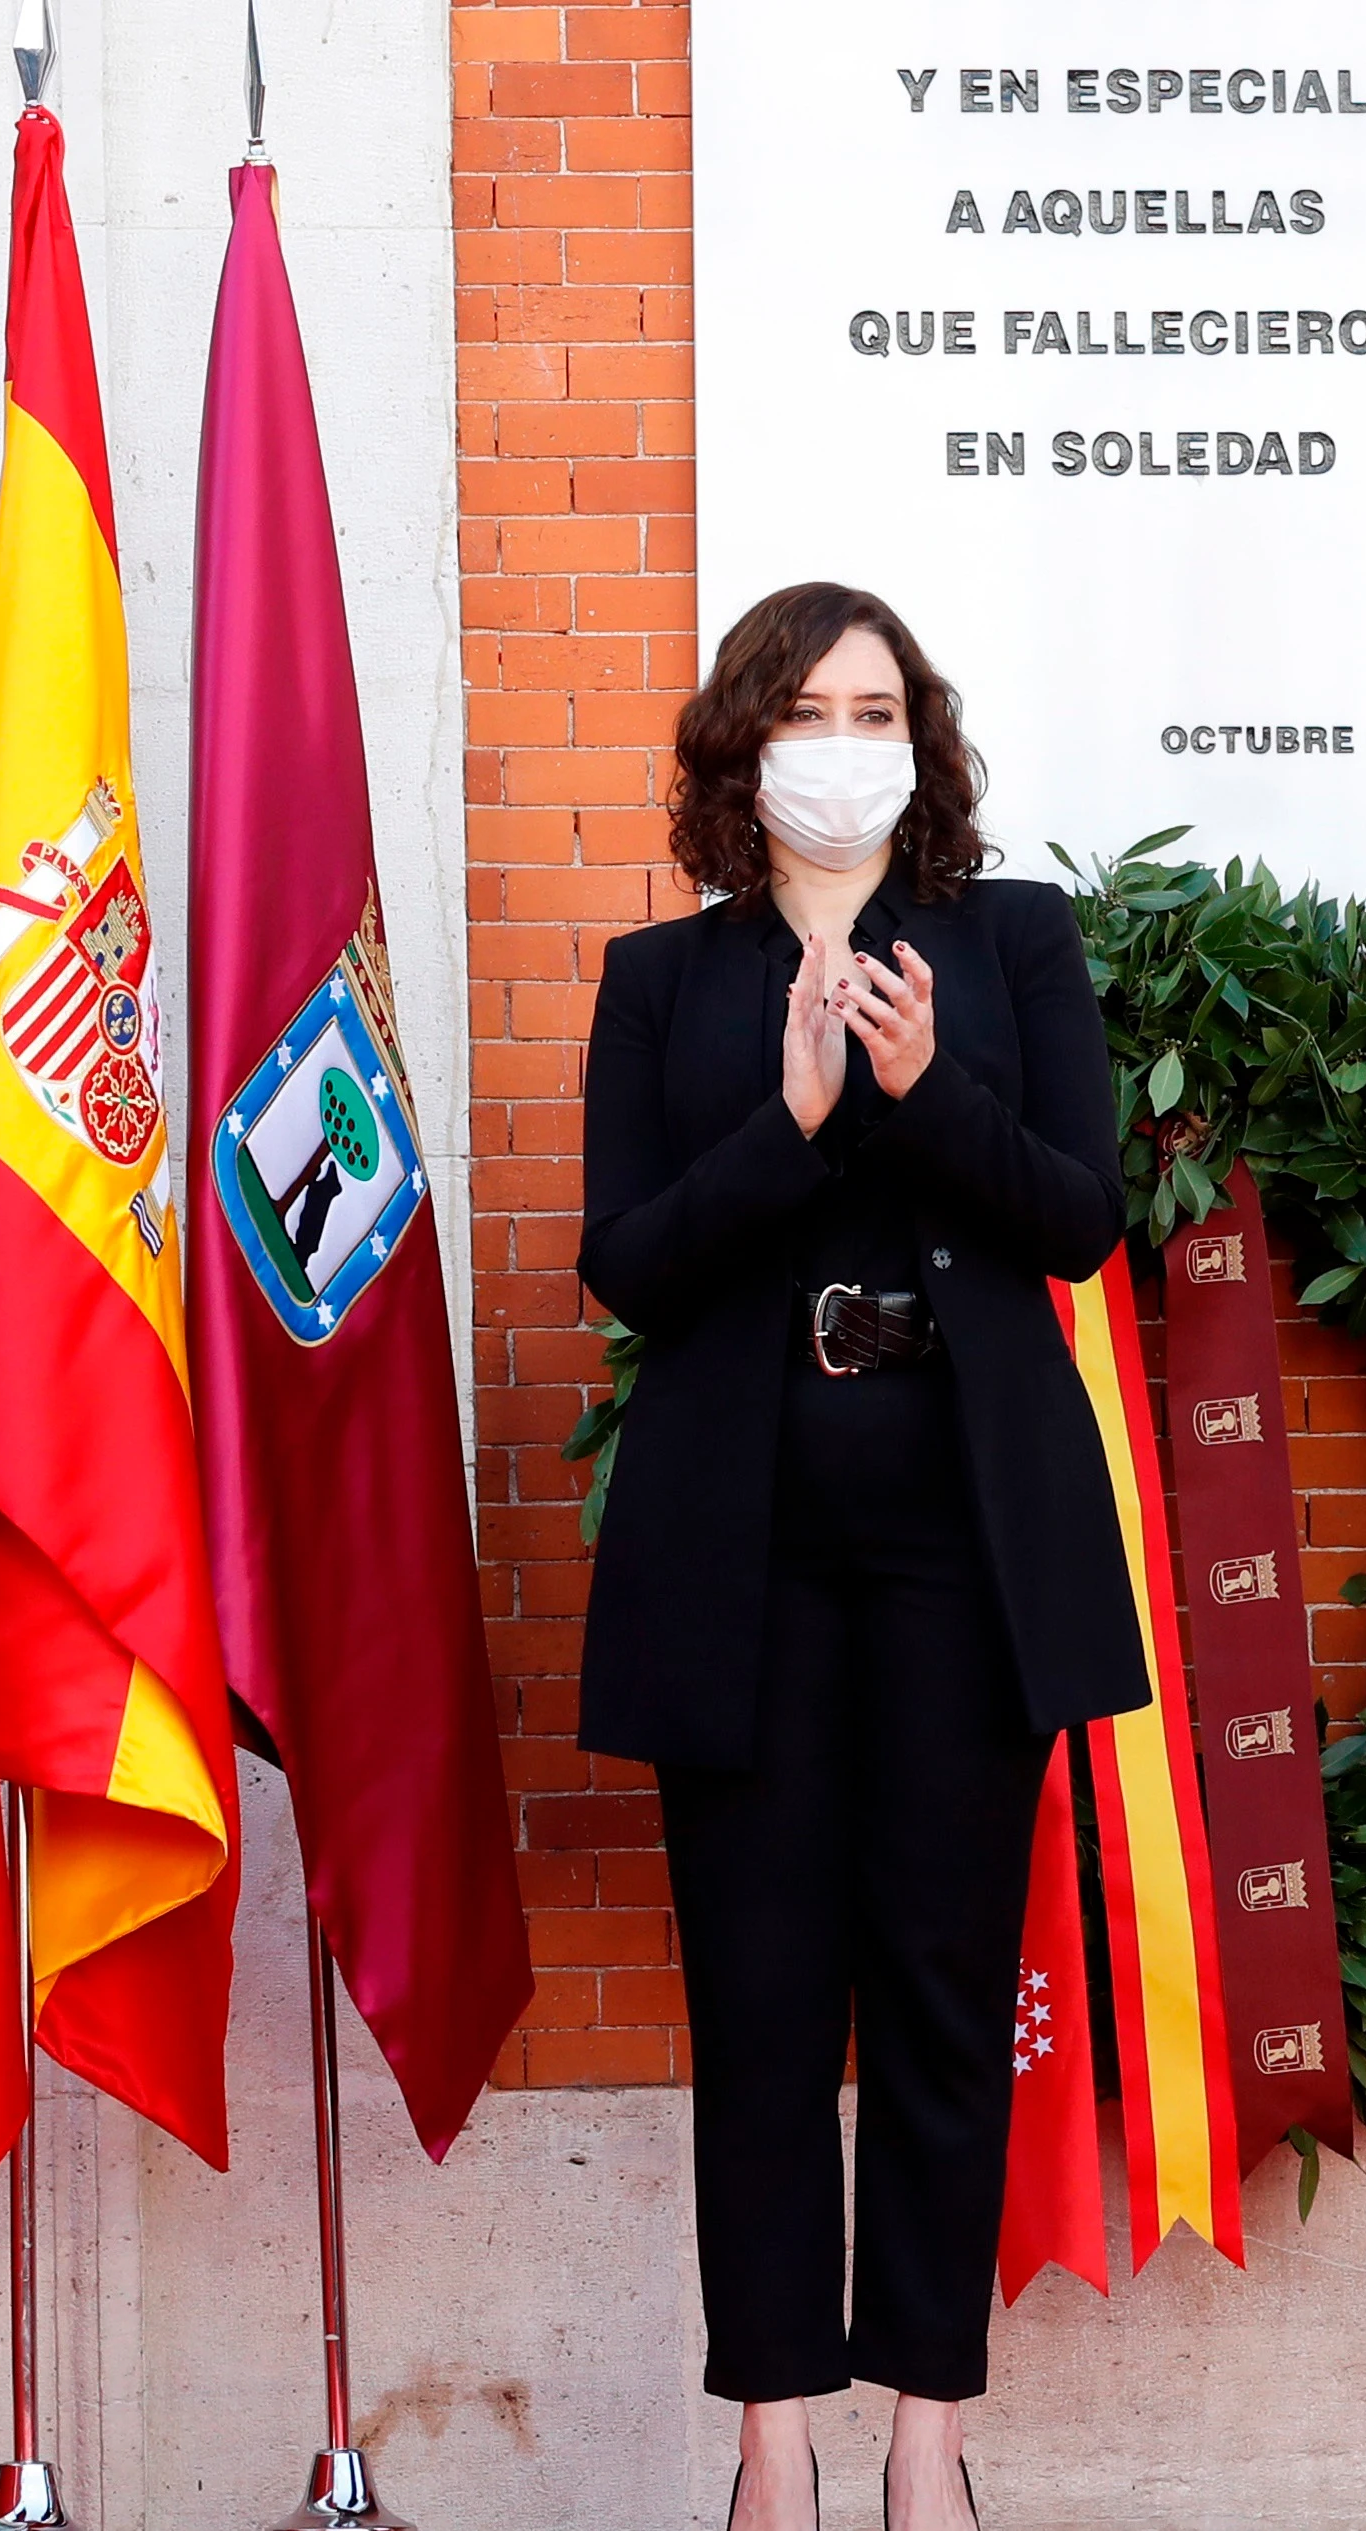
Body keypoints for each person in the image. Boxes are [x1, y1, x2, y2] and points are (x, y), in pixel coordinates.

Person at [575, 582, 1146, 2531]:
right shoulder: (667, 979)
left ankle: (925, 2433)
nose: (846, 734)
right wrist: (796, 1117)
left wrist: (920, 1094)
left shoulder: (1012, 941)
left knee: (934, 1986)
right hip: (739, 1548)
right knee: (757, 2001)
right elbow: (630, 1265)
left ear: (923, 736)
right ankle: (769, 2442)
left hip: (960, 1548)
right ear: (745, 745)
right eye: (808, 705)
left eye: (876, 701)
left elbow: (1078, 1213)